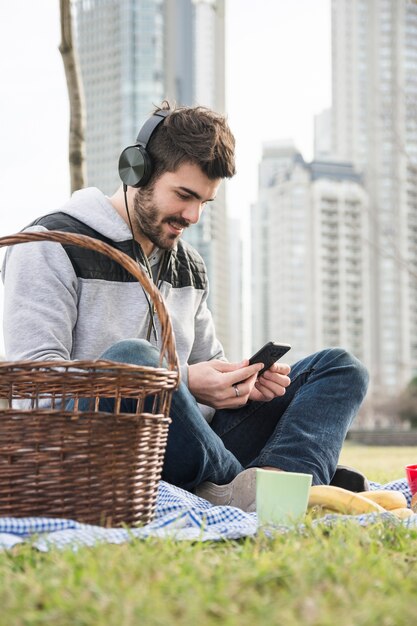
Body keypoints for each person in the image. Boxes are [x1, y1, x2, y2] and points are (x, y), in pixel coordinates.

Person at [2, 102, 369, 511]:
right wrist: (181, 380)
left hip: (186, 448)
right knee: (134, 360)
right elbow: (33, 387)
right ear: (136, 171)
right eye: (184, 195)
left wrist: (242, 385)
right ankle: (245, 486)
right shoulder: (48, 245)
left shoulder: (187, 264)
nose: (192, 215)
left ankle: (278, 481)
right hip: (98, 452)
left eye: (205, 203)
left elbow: (206, 369)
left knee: (339, 367)